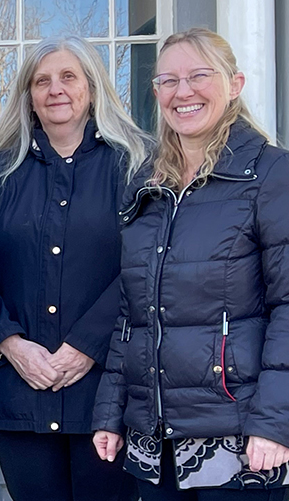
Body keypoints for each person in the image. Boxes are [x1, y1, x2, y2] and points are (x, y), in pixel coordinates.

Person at [92, 27, 289, 500]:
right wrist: (110, 411)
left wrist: (275, 423)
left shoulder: (270, 173)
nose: (183, 92)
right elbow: (132, 313)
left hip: (240, 441)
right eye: (167, 81)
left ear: (234, 84)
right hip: (154, 440)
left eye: (199, 76)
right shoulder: (145, 184)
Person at [0, 36, 147, 501]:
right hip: (17, 389)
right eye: (41, 81)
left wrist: (87, 346)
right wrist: (10, 345)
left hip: (107, 394)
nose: (55, 89)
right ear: (27, 96)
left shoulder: (135, 166)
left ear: (92, 87)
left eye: (68, 77)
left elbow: (148, 266)